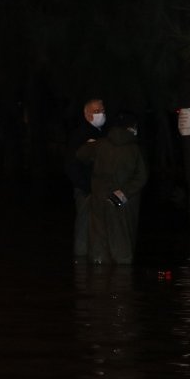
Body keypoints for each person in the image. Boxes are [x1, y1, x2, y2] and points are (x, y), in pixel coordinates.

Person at [76, 111, 147, 265]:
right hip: (119, 199)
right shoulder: (135, 149)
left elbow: (80, 154)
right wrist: (125, 192)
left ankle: (98, 273)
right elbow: (142, 176)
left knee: (98, 238)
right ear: (132, 128)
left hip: (99, 197)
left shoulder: (100, 144)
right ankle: (123, 279)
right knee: (121, 238)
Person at [65, 98, 107, 258]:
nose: (101, 114)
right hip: (86, 189)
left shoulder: (103, 133)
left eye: (102, 111)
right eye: (96, 111)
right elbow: (71, 165)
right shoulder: (80, 135)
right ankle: (81, 260)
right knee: (84, 225)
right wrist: (86, 187)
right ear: (87, 114)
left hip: (98, 189)